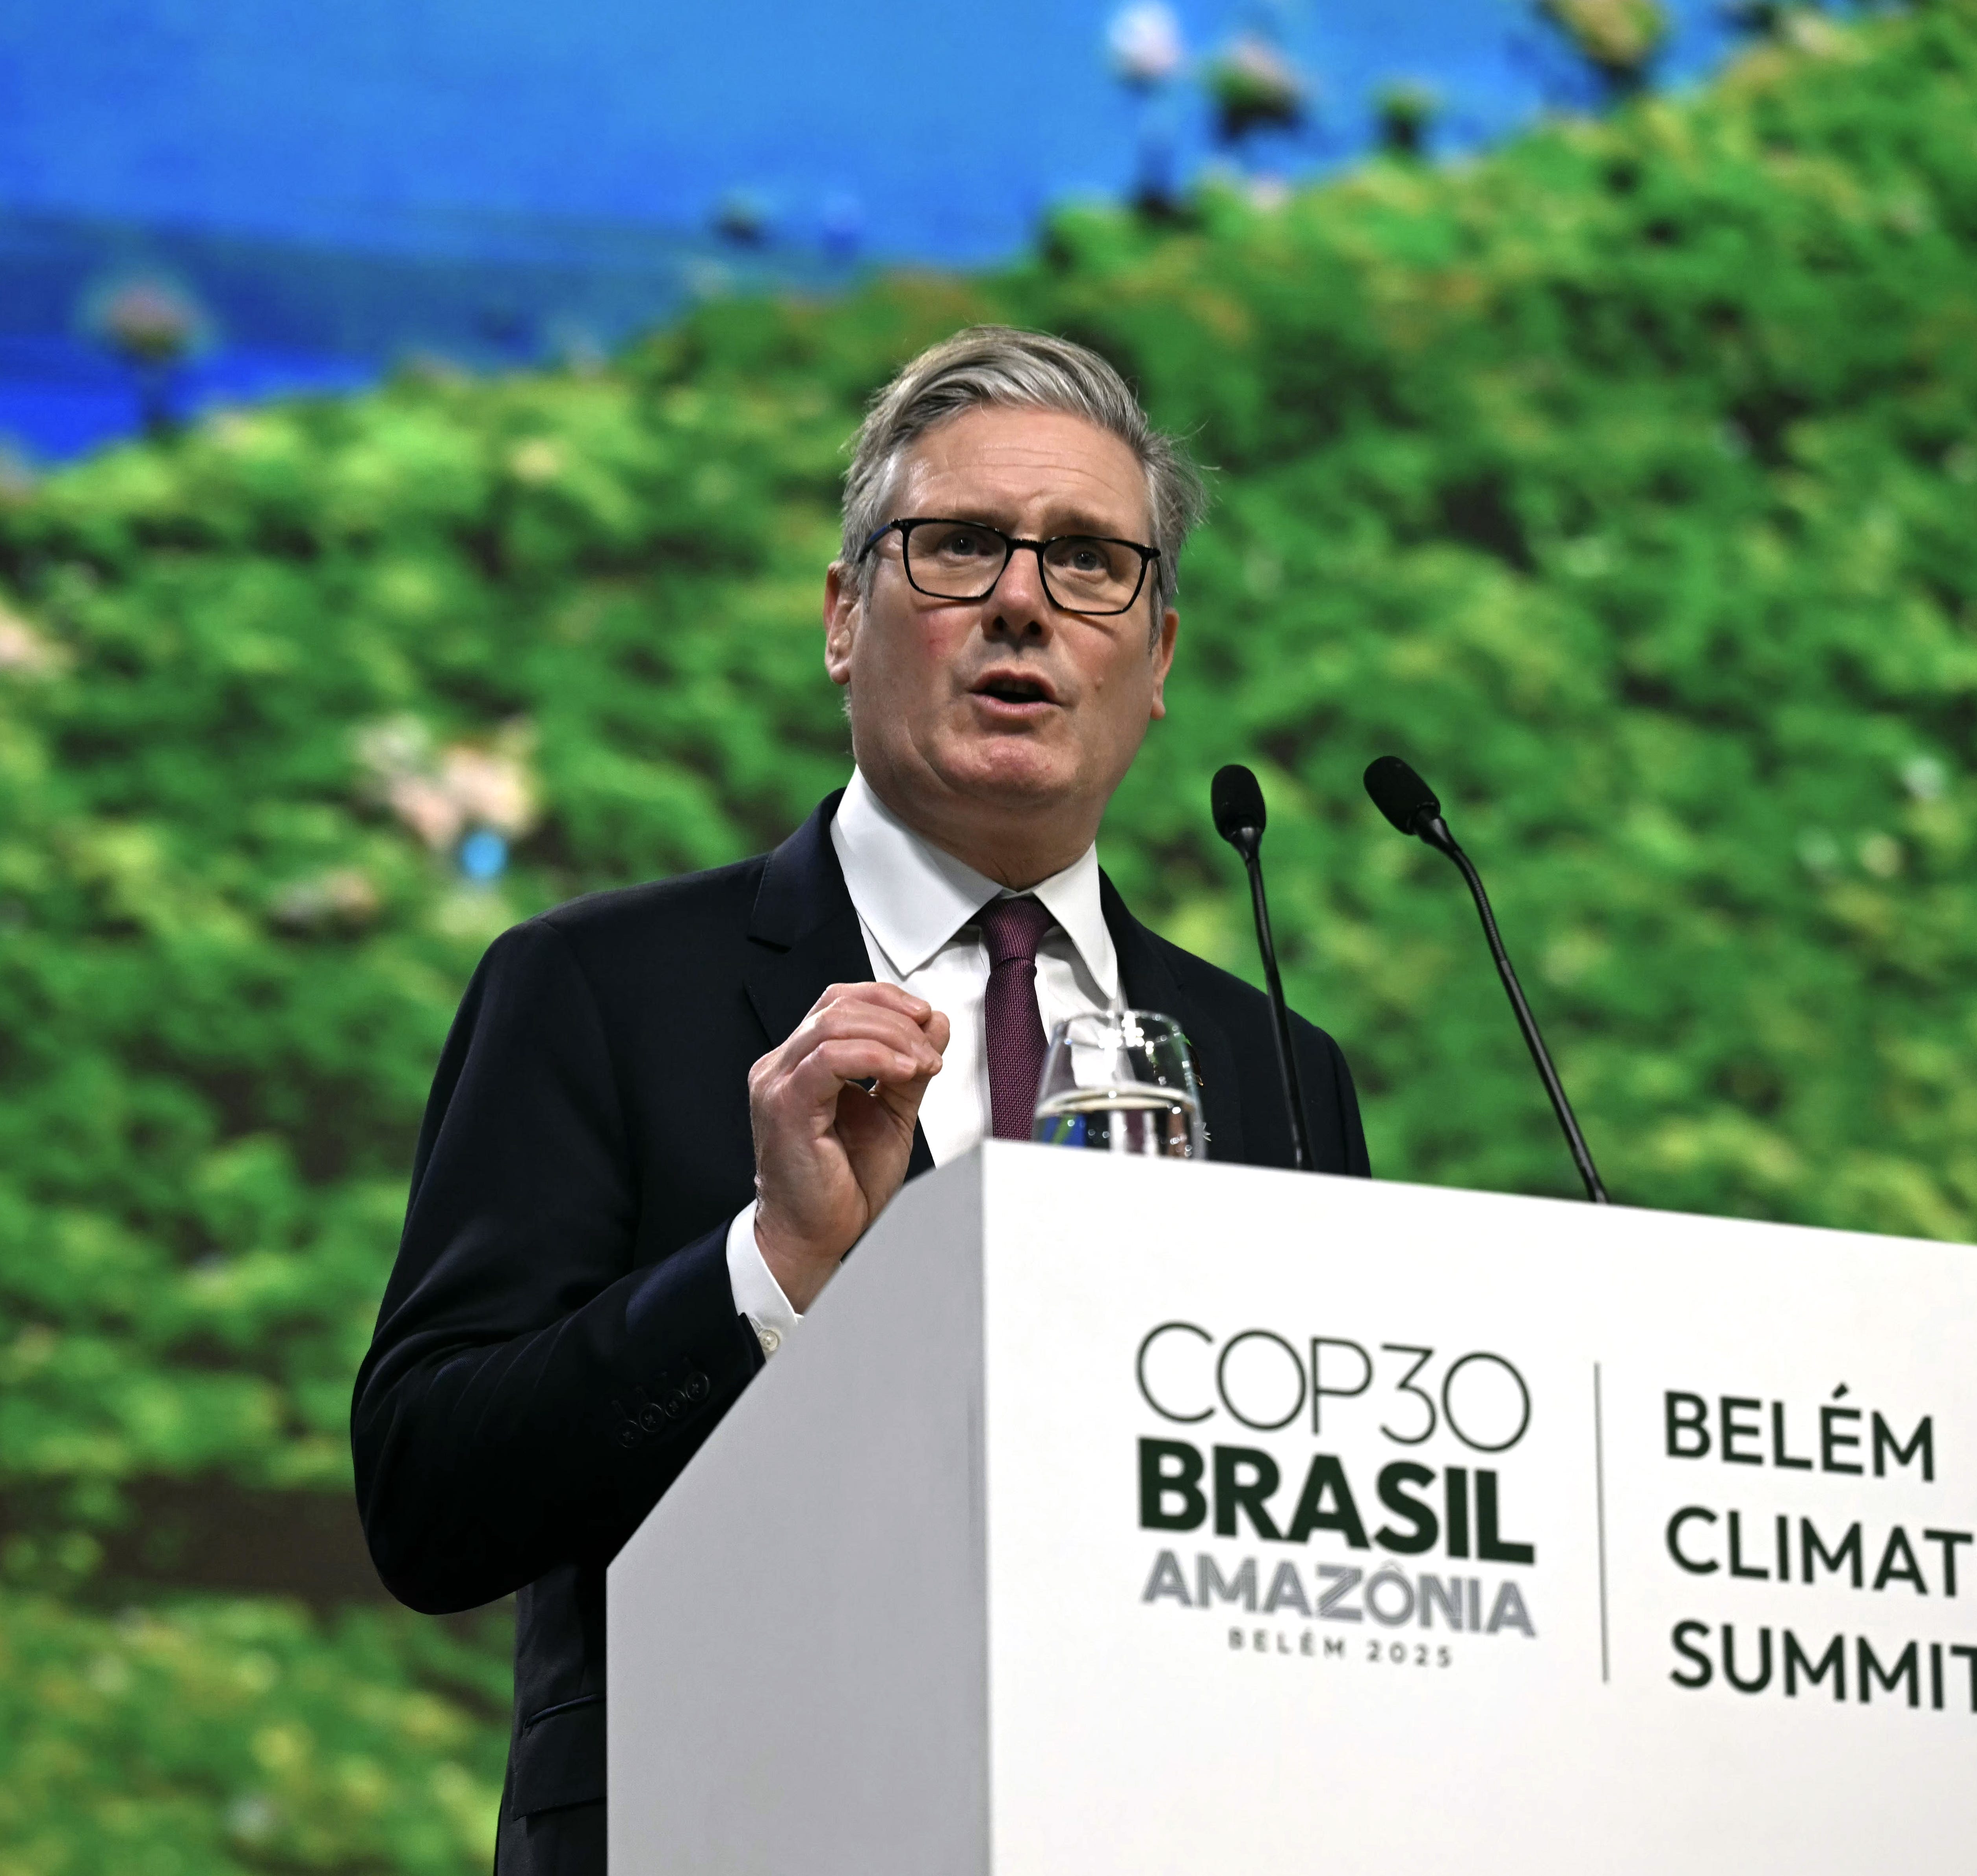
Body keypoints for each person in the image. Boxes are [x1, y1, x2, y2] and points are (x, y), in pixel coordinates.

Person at [353, 326, 1372, 1875]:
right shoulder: (596, 986)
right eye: (959, 546)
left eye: (1090, 561)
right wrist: (771, 1270)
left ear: (1157, 659)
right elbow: (431, 1501)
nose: (1023, 601)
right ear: (843, 617)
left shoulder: (1276, 1069)